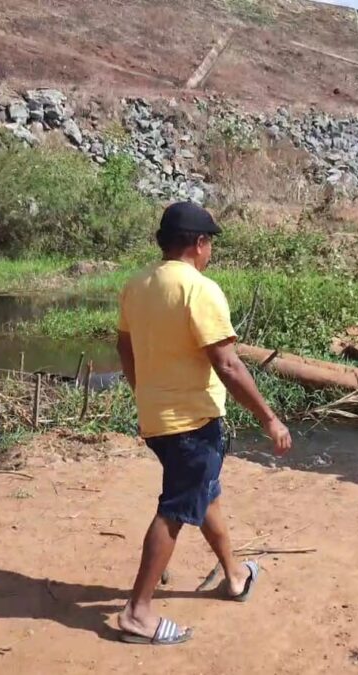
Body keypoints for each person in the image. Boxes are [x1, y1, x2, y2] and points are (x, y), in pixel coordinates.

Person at [115, 201, 292, 646]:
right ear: (199, 243)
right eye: (209, 242)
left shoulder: (137, 285)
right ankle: (138, 613)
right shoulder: (200, 289)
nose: (210, 250)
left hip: (158, 419)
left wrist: (144, 392)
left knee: (204, 492)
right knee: (176, 507)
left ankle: (234, 576)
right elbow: (228, 366)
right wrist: (269, 418)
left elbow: (123, 346)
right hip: (191, 422)